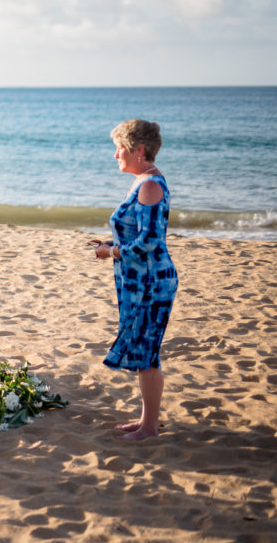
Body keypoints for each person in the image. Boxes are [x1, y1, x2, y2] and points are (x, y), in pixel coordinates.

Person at [90, 119, 178, 441]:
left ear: (139, 150)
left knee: (147, 353)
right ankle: (145, 422)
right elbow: (136, 234)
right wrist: (110, 244)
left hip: (152, 282)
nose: (116, 155)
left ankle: (150, 427)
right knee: (144, 352)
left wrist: (111, 251)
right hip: (139, 281)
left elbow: (149, 242)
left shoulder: (150, 186)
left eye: (120, 148)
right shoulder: (143, 182)